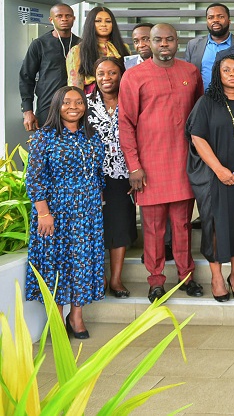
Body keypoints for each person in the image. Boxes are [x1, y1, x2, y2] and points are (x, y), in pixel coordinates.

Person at [118, 23, 205, 302]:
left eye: (169, 39)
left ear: (177, 41)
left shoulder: (190, 72)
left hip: (183, 163)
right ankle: (156, 281)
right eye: (158, 40)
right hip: (149, 165)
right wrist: (134, 166)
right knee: (154, 228)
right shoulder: (133, 76)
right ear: (148, 43)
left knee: (182, 225)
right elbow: (126, 124)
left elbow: (200, 115)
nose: (164, 44)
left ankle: (186, 276)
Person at [25, 86, 105, 339]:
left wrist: (97, 199)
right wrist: (43, 213)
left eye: (79, 102)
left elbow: (98, 173)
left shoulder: (92, 136)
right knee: (56, 263)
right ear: (57, 105)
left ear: (85, 107)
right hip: (55, 210)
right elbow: (34, 178)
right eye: (67, 102)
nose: (73, 106)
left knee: (82, 262)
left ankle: (77, 316)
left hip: (87, 211)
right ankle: (57, 316)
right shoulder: (43, 137)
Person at [187, 55, 234, 301]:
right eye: (226, 70)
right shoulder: (206, 102)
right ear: (217, 75)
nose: (232, 74)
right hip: (214, 176)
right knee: (216, 226)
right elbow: (197, 137)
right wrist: (219, 169)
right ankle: (217, 276)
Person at [87, 56, 136, 299]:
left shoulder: (131, 102)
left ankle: (116, 279)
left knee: (119, 225)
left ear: (121, 75)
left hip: (123, 174)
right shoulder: (84, 104)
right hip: (92, 175)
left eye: (112, 73)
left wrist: (135, 171)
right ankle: (100, 277)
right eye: (101, 74)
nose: (106, 78)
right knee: (96, 227)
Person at [20, 3, 79, 131]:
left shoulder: (81, 44)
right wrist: (27, 111)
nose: (64, 19)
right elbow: (26, 77)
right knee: (46, 147)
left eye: (68, 15)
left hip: (76, 108)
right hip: (47, 107)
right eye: (59, 16)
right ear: (51, 20)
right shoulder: (39, 44)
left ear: (74, 19)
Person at [66, 6, 128, 93]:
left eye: (108, 21)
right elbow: (75, 86)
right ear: (90, 24)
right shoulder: (78, 50)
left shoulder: (123, 48)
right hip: (92, 98)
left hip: (120, 96)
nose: (103, 24)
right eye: (98, 21)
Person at [184, 3, 234, 87]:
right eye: (210, 17)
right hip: (202, 98)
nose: (215, 20)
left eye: (220, 16)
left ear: (229, 21)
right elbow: (187, 75)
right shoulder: (193, 45)